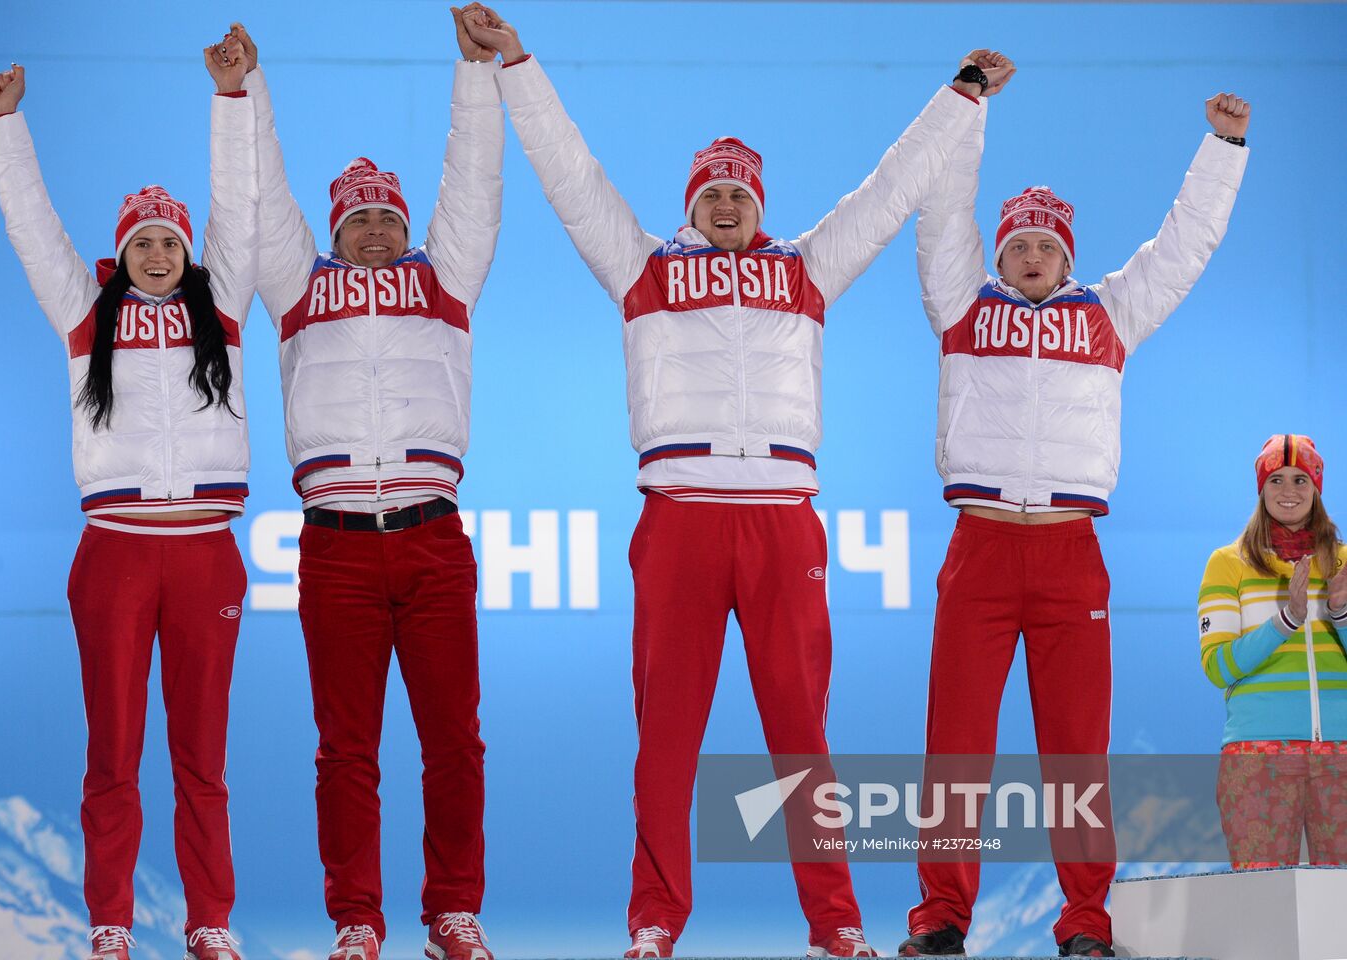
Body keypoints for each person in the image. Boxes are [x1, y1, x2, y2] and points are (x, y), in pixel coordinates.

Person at [459, 8, 1009, 956]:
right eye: (711, 192)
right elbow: (569, 172)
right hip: (678, 520)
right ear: (690, 204)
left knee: (801, 734)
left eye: (740, 194)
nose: (725, 205)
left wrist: (961, 97)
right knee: (667, 738)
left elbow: (890, 192)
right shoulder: (642, 267)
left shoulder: (807, 269)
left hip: (782, 522)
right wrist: (516, 66)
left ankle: (835, 926)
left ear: (761, 204)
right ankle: (652, 924)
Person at [902, 88, 1252, 958]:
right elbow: (942, 212)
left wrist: (1223, 146)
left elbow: (1182, 249)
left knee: (1075, 755)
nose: (1027, 257)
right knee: (955, 749)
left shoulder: (1109, 316)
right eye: (1015, 243)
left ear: (1067, 257)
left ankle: (1086, 924)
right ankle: (943, 919)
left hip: (1069, 555)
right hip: (979, 548)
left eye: (1043, 246)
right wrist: (969, 106)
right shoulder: (961, 308)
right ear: (998, 252)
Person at [212, 14, 502, 960]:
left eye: (387, 216)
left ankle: (454, 912)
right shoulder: (298, 284)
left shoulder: (445, 278)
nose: (374, 229)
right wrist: (245, 92)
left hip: (432, 535)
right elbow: (261, 198)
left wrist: (473, 72)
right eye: (358, 218)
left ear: (408, 228)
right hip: (333, 541)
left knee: (453, 740)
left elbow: (473, 185)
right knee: (347, 750)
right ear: (335, 231)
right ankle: (357, 920)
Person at [0, 45, 258, 960]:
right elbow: (32, 227)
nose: (156, 254)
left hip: (206, 551)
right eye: (141, 241)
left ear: (188, 251)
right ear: (121, 251)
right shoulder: (84, 310)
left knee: (202, 759)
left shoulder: (222, 314)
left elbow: (239, 205)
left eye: (169, 241)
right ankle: (109, 925)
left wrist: (230, 96)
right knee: (115, 753)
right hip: (115, 551)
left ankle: (211, 923)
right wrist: (7, 128)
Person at [1199, 435, 1347, 870]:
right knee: (1262, 904)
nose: (1289, 491)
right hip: (1257, 757)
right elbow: (1218, 666)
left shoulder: (1344, 563)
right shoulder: (1228, 563)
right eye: (1277, 479)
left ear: (1317, 488)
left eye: (1301, 479)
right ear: (1261, 488)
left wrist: (1340, 613)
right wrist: (1284, 622)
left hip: (1342, 752)